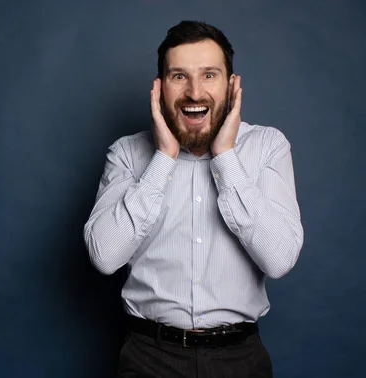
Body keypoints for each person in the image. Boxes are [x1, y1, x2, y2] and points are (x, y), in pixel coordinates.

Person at [83, 20, 303, 378]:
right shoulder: (126, 153)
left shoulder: (267, 147)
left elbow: (279, 260)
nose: (195, 93)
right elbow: (104, 257)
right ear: (160, 87)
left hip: (239, 361)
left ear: (232, 85)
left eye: (209, 75)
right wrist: (164, 158)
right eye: (179, 76)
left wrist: (225, 157)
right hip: (148, 360)